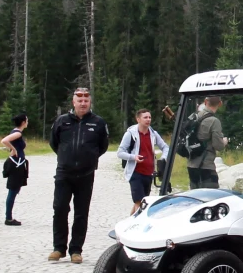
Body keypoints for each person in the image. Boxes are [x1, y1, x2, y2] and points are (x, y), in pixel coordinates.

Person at [49, 87, 109, 263]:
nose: (83, 103)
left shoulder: (98, 123)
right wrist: (66, 157)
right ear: (73, 102)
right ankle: (58, 248)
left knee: (81, 213)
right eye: (79, 100)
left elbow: (102, 146)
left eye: (86, 100)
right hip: (64, 173)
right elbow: (54, 143)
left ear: (90, 102)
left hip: (86, 174)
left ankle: (76, 250)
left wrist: (88, 159)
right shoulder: (62, 121)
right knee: (60, 208)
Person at [118, 108, 169, 215]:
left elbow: (165, 147)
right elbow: (120, 152)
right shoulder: (130, 134)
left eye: (149, 117)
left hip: (149, 173)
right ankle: (137, 228)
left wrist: (163, 158)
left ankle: (128, 223)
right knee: (140, 203)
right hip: (135, 173)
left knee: (141, 202)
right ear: (138, 119)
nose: (148, 120)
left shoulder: (153, 134)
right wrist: (133, 157)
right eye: (145, 117)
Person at [187, 96, 227, 189]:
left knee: (195, 197)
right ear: (220, 103)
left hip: (191, 165)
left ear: (205, 101)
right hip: (206, 166)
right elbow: (219, 146)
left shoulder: (194, 116)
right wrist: (224, 142)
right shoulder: (214, 121)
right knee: (210, 199)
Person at [1, 112, 30, 226]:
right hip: (16, 164)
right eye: (27, 120)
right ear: (23, 122)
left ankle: (9, 216)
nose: (27, 122)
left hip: (18, 164)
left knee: (14, 190)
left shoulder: (17, 132)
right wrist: (14, 149)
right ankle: (8, 218)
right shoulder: (17, 133)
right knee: (12, 191)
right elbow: (4, 140)